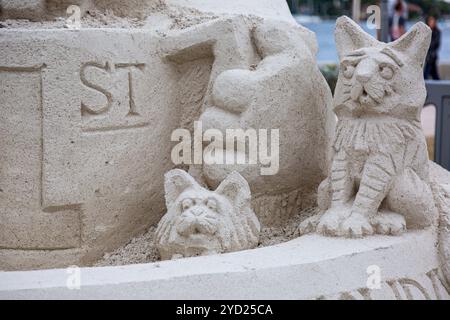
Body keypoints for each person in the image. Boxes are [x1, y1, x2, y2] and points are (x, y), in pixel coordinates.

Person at [424, 16, 441, 80]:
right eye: (430, 21)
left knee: (427, 73)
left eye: (432, 21)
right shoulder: (426, 32)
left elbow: (436, 44)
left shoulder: (437, 32)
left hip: (432, 56)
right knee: (434, 74)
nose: (431, 23)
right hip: (428, 56)